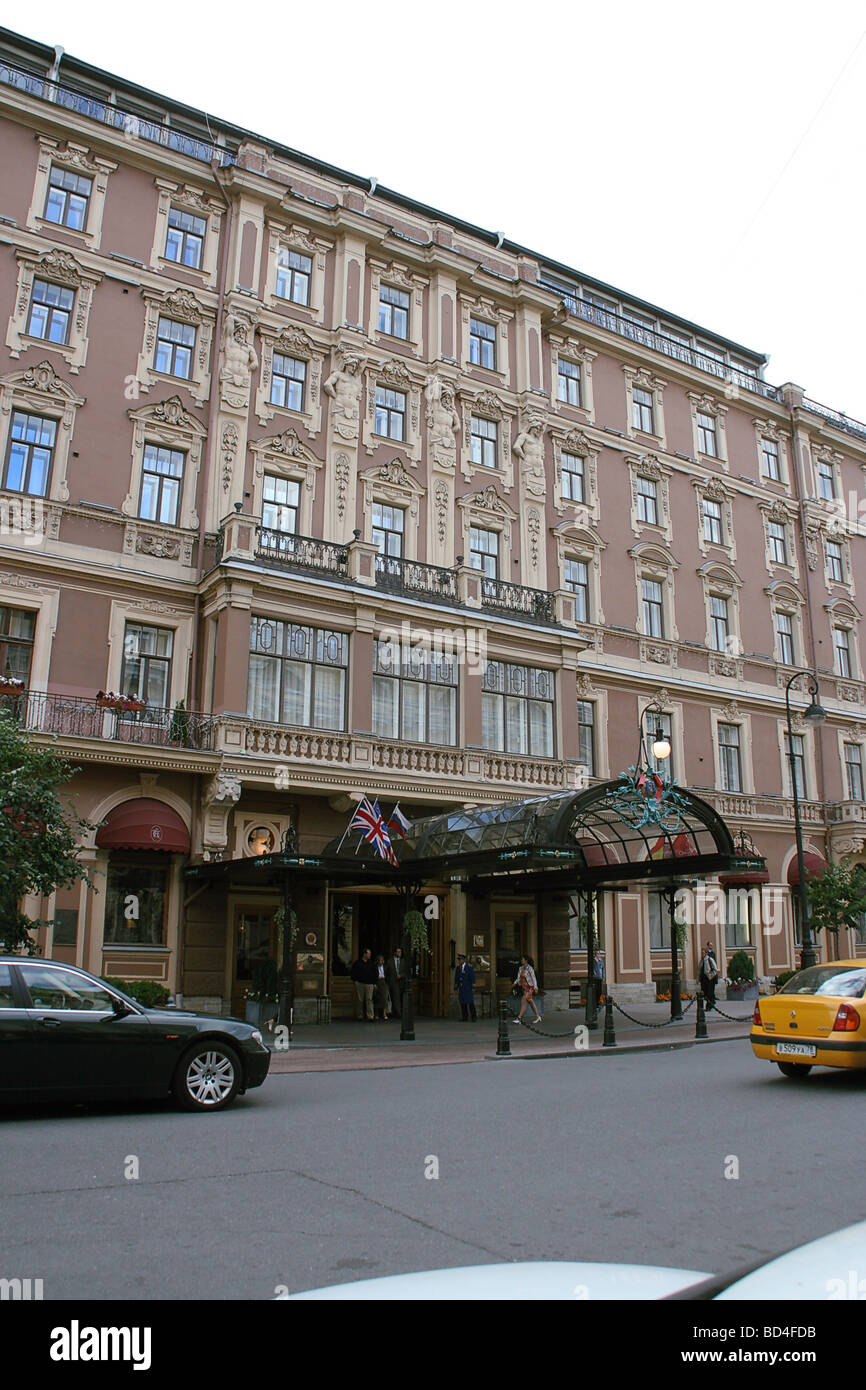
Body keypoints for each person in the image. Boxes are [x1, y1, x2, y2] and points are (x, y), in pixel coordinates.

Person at [511, 954, 542, 1025]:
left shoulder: (530, 968)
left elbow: (534, 978)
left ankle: (519, 1018)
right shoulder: (520, 968)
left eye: (523, 959)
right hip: (524, 987)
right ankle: (538, 1016)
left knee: (524, 1000)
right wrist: (515, 983)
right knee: (530, 1001)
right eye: (521, 959)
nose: (521, 960)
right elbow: (518, 978)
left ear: (526, 960)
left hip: (530, 987)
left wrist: (535, 987)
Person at [350, 947, 376, 1021]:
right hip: (360, 983)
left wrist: (374, 983)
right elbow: (353, 972)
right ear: (364, 954)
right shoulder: (358, 963)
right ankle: (360, 1015)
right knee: (360, 999)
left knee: (369, 999)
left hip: (369, 984)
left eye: (370, 954)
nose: (369, 955)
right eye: (368, 953)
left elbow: (375, 973)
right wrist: (355, 981)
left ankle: (370, 1016)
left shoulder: (372, 964)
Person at [454, 954, 477, 1022]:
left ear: (464, 960)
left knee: (470, 1002)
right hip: (461, 988)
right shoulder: (458, 968)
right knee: (462, 1002)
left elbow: (472, 978)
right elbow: (456, 979)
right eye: (458, 960)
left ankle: (473, 1017)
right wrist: (455, 988)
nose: (459, 961)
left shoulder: (469, 967)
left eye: (460, 960)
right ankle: (465, 1017)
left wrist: (473, 987)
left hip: (468, 987)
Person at [385, 946, 405, 1020]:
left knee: (400, 998)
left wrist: (401, 975)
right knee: (396, 998)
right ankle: (399, 1014)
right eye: (398, 952)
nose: (400, 953)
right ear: (395, 953)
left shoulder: (403, 961)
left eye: (400, 952)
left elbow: (406, 971)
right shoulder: (389, 961)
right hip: (393, 982)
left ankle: (397, 1012)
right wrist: (388, 980)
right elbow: (386, 972)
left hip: (401, 982)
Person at [698, 941, 720, 1010]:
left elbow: (715, 969)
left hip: (709, 979)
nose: (702, 954)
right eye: (702, 953)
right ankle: (710, 1003)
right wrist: (698, 978)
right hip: (704, 979)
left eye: (703, 953)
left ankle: (709, 1006)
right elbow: (699, 970)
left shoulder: (710, 959)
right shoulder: (702, 961)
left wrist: (711, 976)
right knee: (704, 992)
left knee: (709, 992)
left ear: (706, 953)